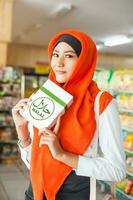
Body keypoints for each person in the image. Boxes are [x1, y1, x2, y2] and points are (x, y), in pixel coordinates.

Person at [12, 29, 126, 200]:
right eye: (55, 54)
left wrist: (63, 155)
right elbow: (34, 164)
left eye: (69, 56)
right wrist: (23, 132)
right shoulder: (45, 96)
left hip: (75, 195)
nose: (58, 62)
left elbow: (117, 170)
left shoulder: (101, 103)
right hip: (35, 193)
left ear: (84, 61)